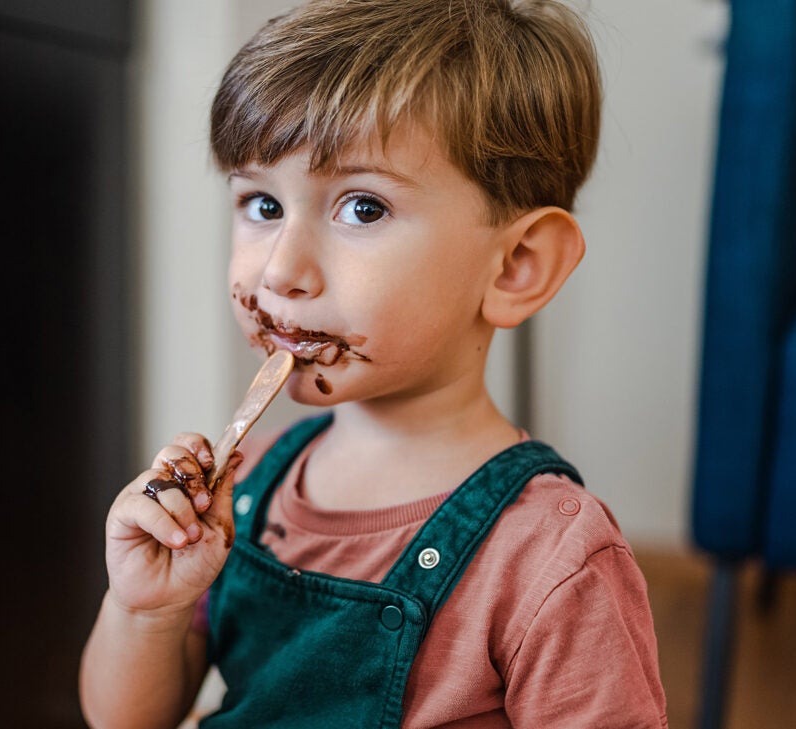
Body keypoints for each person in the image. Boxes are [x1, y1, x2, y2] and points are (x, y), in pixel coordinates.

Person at [80, 0, 667, 726]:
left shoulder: (552, 557)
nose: (282, 270)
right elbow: (124, 718)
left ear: (516, 265)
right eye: (262, 204)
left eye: (362, 207)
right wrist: (147, 608)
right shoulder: (243, 490)